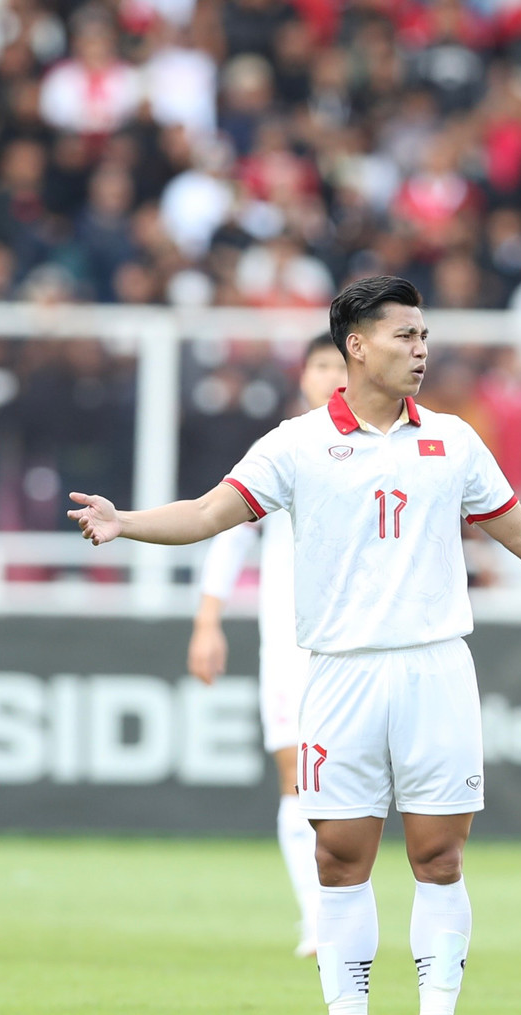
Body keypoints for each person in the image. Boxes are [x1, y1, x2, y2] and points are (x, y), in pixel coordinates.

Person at [69, 275, 521, 1015]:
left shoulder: (454, 439)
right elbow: (208, 512)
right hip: (338, 674)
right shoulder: (295, 443)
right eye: (406, 336)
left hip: (435, 668)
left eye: (424, 336)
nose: (422, 349)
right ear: (357, 346)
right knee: (338, 854)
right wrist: (125, 522)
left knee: (439, 854)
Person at [186, 335, 347, 958]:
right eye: (322, 366)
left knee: (350, 786)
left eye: (342, 366)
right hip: (289, 642)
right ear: (302, 377)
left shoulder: (389, 448)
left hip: (360, 644)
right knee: (296, 775)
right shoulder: (283, 447)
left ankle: (345, 907)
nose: (333, 377)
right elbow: (227, 531)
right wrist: (208, 621)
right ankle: (317, 918)